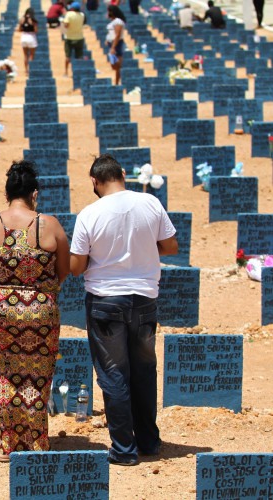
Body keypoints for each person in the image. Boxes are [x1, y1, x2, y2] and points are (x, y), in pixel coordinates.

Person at [70, 154, 178, 466]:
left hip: (105, 302)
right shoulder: (150, 203)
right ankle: (149, 442)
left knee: (113, 374)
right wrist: (143, 249)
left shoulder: (90, 214)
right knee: (144, 371)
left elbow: (77, 267)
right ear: (123, 174)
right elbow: (171, 246)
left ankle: (124, 449)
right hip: (144, 300)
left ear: (94, 182)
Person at [0, 161, 70, 462]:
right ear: (35, 194)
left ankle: (8, 443)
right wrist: (36, 290)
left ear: (7, 194)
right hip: (39, 312)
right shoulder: (49, 224)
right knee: (37, 376)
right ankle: (37, 442)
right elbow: (63, 270)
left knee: (0, 374)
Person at [63, 2, 86, 76]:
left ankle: (66, 72)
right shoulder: (82, 15)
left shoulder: (69, 14)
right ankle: (78, 72)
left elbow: (66, 25)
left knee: (68, 56)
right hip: (79, 37)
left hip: (69, 37)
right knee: (79, 56)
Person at [105, 5, 126, 85]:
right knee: (114, 65)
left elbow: (117, 35)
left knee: (117, 65)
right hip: (111, 43)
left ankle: (117, 83)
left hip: (116, 44)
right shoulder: (113, 22)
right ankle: (117, 81)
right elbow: (111, 33)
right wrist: (107, 39)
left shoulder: (118, 22)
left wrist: (113, 47)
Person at [18, 8, 38, 75]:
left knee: (25, 55)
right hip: (31, 37)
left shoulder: (22, 19)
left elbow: (19, 29)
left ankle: (26, 70)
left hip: (24, 37)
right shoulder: (33, 20)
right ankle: (31, 70)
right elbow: (35, 30)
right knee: (32, 55)